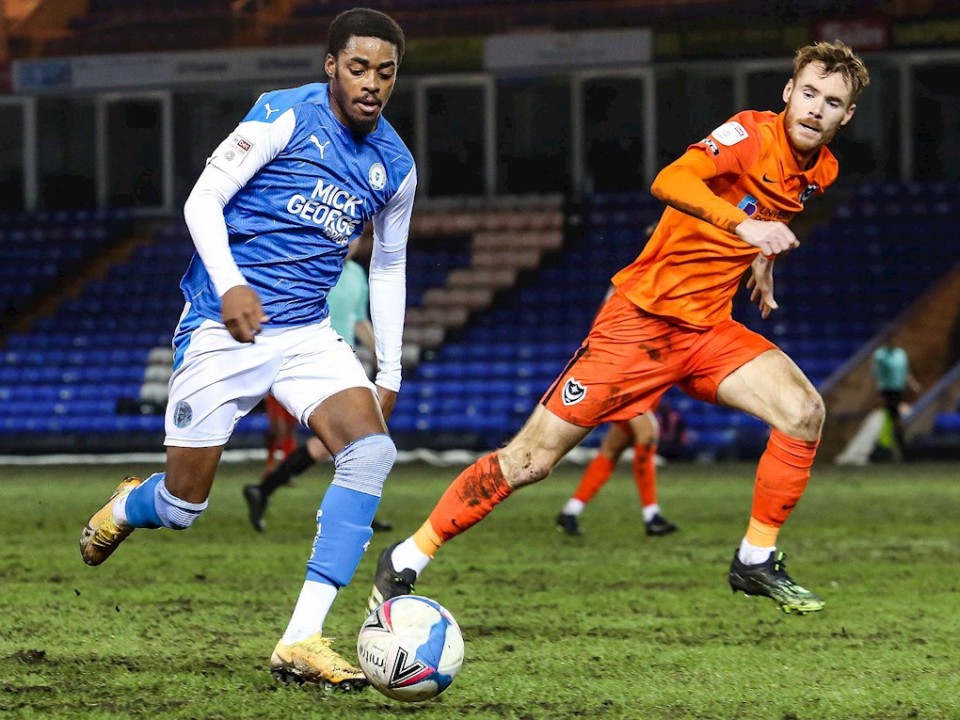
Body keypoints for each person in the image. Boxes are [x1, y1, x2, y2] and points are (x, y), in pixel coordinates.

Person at [368, 41, 869, 617]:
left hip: (708, 331)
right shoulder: (749, 135)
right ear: (788, 92)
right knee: (530, 461)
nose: (816, 109)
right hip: (640, 326)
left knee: (804, 412)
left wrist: (760, 257)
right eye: (808, 93)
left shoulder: (821, 171)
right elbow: (671, 180)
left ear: (847, 115)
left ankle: (755, 559)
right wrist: (745, 229)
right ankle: (406, 557)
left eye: (832, 102)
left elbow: (767, 207)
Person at [79, 8, 414, 691]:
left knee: (372, 451)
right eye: (358, 68)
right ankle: (129, 505)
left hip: (305, 333)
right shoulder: (283, 114)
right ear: (331, 66)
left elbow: (388, 265)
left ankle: (301, 640)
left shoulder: (396, 166)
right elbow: (203, 200)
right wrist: (231, 284)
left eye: (385, 72)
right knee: (183, 506)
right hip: (222, 326)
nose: (371, 84)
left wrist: (390, 369)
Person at [243, 231, 393, 534]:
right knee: (354, 438)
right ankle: (355, 509)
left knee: (342, 442)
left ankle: (264, 490)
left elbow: (358, 320)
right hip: (312, 361)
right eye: (347, 235)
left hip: (344, 366)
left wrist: (383, 357)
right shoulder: (316, 265)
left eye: (356, 237)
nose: (351, 242)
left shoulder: (356, 275)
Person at [555, 410, 678, 537]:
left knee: (612, 449)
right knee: (647, 436)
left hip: (641, 400)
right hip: (633, 399)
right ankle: (652, 516)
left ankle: (570, 511)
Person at [871, 341, 920, 460]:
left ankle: (893, 448)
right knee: (892, 418)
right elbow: (877, 373)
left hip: (898, 390)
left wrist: (912, 383)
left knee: (892, 418)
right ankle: (898, 448)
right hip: (886, 391)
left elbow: (905, 371)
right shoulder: (880, 355)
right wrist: (879, 392)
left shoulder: (901, 354)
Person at [262, 394, 299, 475]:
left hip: (292, 393)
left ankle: (288, 469)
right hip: (275, 393)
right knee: (279, 430)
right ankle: (272, 465)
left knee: (289, 431)